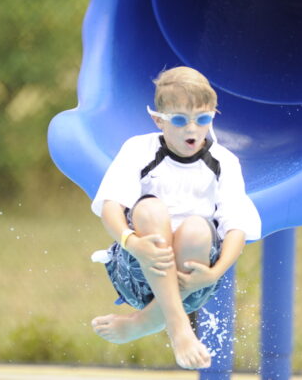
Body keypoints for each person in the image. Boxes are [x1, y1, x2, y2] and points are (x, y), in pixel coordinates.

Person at [90, 66, 261, 370]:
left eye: (203, 119)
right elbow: (111, 207)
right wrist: (132, 243)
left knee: (197, 227)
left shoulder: (224, 163)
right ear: (159, 120)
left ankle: (145, 323)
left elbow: (237, 227)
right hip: (136, 268)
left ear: (213, 115)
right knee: (151, 209)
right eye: (180, 120)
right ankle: (178, 326)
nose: (192, 129)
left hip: (193, 282)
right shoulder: (139, 150)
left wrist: (216, 272)